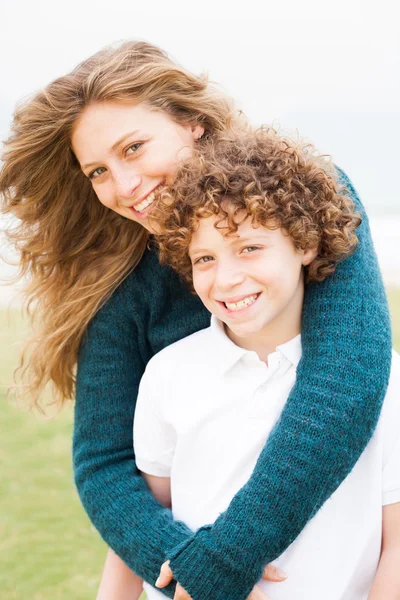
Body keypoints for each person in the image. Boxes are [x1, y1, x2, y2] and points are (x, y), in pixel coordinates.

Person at [0, 41, 392, 600]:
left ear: (193, 123)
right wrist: (188, 566)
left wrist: (231, 554)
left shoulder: (303, 204)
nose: (124, 185)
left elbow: (346, 381)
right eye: (98, 171)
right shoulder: (122, 285)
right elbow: (106, 465)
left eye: (133, 148)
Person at [98, 130, 400, 600]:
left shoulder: (384, 377)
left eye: (250, 248)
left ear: (305, 245)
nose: (227, 278)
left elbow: (396, 539)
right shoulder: (167, 375)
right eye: (205, 258)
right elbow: (146, 519)